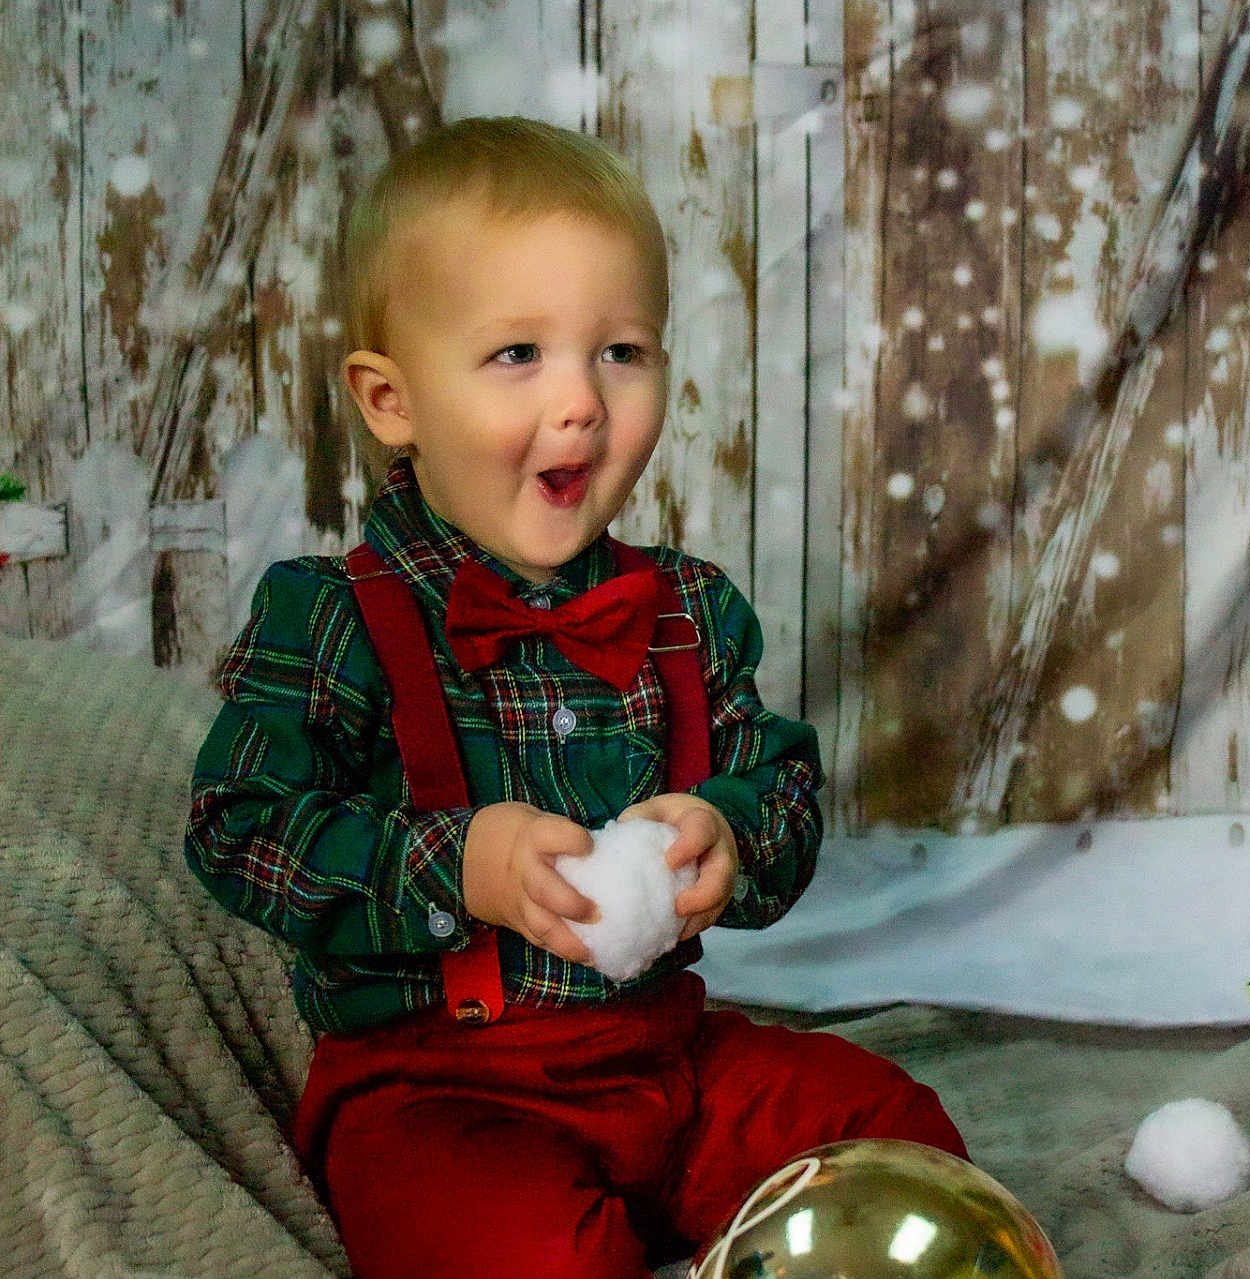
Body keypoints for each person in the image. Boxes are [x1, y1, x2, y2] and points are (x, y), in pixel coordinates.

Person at [185, 115, 967, 1279]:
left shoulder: (688, 610)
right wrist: (458, 864)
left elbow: (783, 787)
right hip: (439, 1091)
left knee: (894, 1134)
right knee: (527, 1251)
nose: (583, 402)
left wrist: (729, 834)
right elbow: (236, 829)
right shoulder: (332, 614)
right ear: (391, 399)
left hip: (669, 1060)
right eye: (517, 356)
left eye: (621, 352)